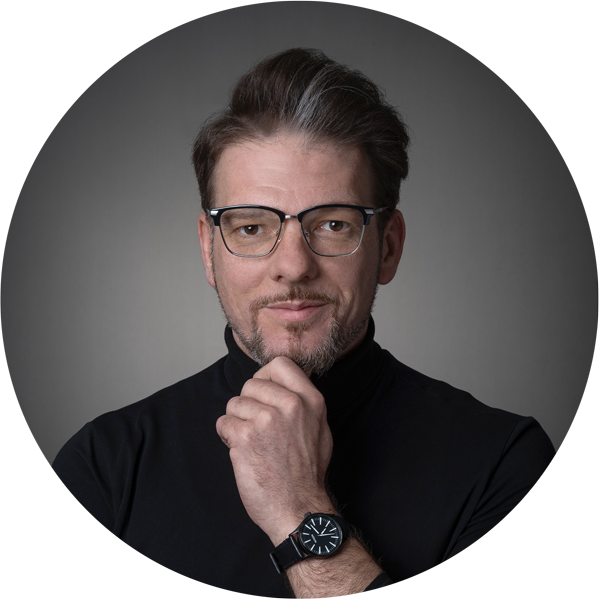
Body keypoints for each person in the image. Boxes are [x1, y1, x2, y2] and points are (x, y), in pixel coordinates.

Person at [31, 48, 567, 599]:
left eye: (334, 224)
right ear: (208, 250)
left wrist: (298, 510)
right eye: (250, 228)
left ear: (388, 247)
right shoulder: (95, 467)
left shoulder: (521, 457)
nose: (292, 265)